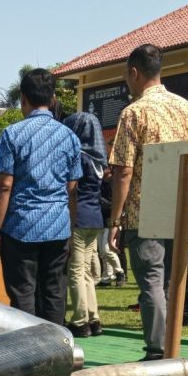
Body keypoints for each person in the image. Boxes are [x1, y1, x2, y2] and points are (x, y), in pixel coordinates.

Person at [107, 44, 188, 361]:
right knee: (173, 284)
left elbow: (123, 171)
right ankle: (171, 347)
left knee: (151, 282)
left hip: (142, 210)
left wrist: (115, 220)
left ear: (134, 73)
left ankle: (157, 350)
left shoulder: (133, 112)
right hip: (181, 208)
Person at [0, 69, 82, 327]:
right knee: (54, 293)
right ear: (52, 98)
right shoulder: (70, 137)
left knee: (22, 295)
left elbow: (4, 186)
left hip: (21, 227)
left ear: (23, 98)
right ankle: (57, 350)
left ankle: (29, 355)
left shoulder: (11, 134)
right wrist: (71, 231)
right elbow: (72, 190)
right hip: (58, 226)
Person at [62, 110, 108, 336]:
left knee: (76, 271)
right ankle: (93, 317)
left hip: (79, 217)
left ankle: (80, 321)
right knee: (88, 270)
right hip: (96, 217)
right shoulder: (99, 158)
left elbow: (72, 189)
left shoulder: (78, 156)